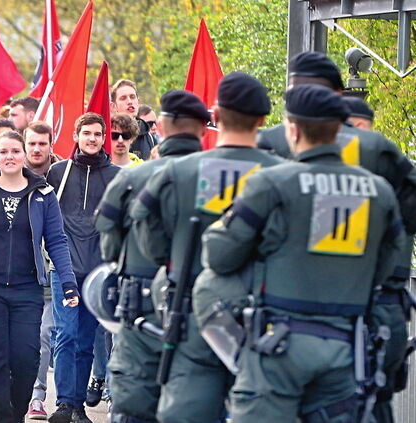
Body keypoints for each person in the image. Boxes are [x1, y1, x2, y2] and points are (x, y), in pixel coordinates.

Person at [204, 84, 404, 422]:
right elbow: (385, 266)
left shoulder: (271, 183)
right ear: (340, 132)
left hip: (278, 348)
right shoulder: (379, 191)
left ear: (293, 129)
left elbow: (220, 257)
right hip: (346, 348)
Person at [259, 52, 416, 422]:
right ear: (337, 95)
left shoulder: (267, 143)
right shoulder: (374, 149)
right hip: (365, 309)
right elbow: (406, 218)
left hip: (279, 314)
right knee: (369, 403)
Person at [130, 75, 283, 422]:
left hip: (190, 318)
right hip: (270, 324)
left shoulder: (175, 173)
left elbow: (148, 233)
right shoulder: (286, 175)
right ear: (261, 120)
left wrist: (176, 259)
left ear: (215, 114)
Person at [95, 89, 209, 422]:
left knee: (133, 405)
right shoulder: (219, 178)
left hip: (140, 307)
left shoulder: (132, 177)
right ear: (203, 128)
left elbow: (108, 240)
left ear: (162, 126)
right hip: (202, 308)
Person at [0, 131, 80, 423]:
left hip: (27, 290)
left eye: (15, 151)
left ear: (24, 155)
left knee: (26, 359)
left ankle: (15, 415)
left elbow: (58, 240)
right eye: (3, 151)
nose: (9, 157)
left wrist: (69, 282)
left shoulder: (43, 194)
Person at [46, 112, 120, 423]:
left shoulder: (116, 176)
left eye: (97, 134)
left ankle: (78, 406)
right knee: (65, 334)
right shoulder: (57, 172)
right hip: (63, 269)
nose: (92, 139)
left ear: (104, 139)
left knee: (87, 340)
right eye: (86, 133)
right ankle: (64, 403)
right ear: (76, 135)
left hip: (97, 271)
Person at [23, 121, 60, 420]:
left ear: (50, 145)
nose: (37, 149)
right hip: (10, 273)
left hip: (48, 271)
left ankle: (36, 397)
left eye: (42, 144)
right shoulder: (8, 174)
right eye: (31, 143)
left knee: (42, 336)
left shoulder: (63, 176)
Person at [110, 80, 156, 161]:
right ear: (113, 106)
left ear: (138, 101)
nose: (129, 102)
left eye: (132, 97)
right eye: (123, 98)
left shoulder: (150, 138)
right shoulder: (107, 135)